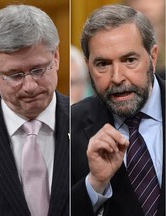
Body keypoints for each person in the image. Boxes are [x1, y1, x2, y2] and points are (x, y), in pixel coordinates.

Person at [71, 4, 165, 216]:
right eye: (103, 64)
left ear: (153, 57)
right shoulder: (68, 126)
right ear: (88, 66)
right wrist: (95, 184)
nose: (117, 77)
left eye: (129, 60)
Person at [0, 4, 69, 216]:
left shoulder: (89, 123)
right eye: (15, 75)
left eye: (38, 70)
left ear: (55, 57)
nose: (29, 86)